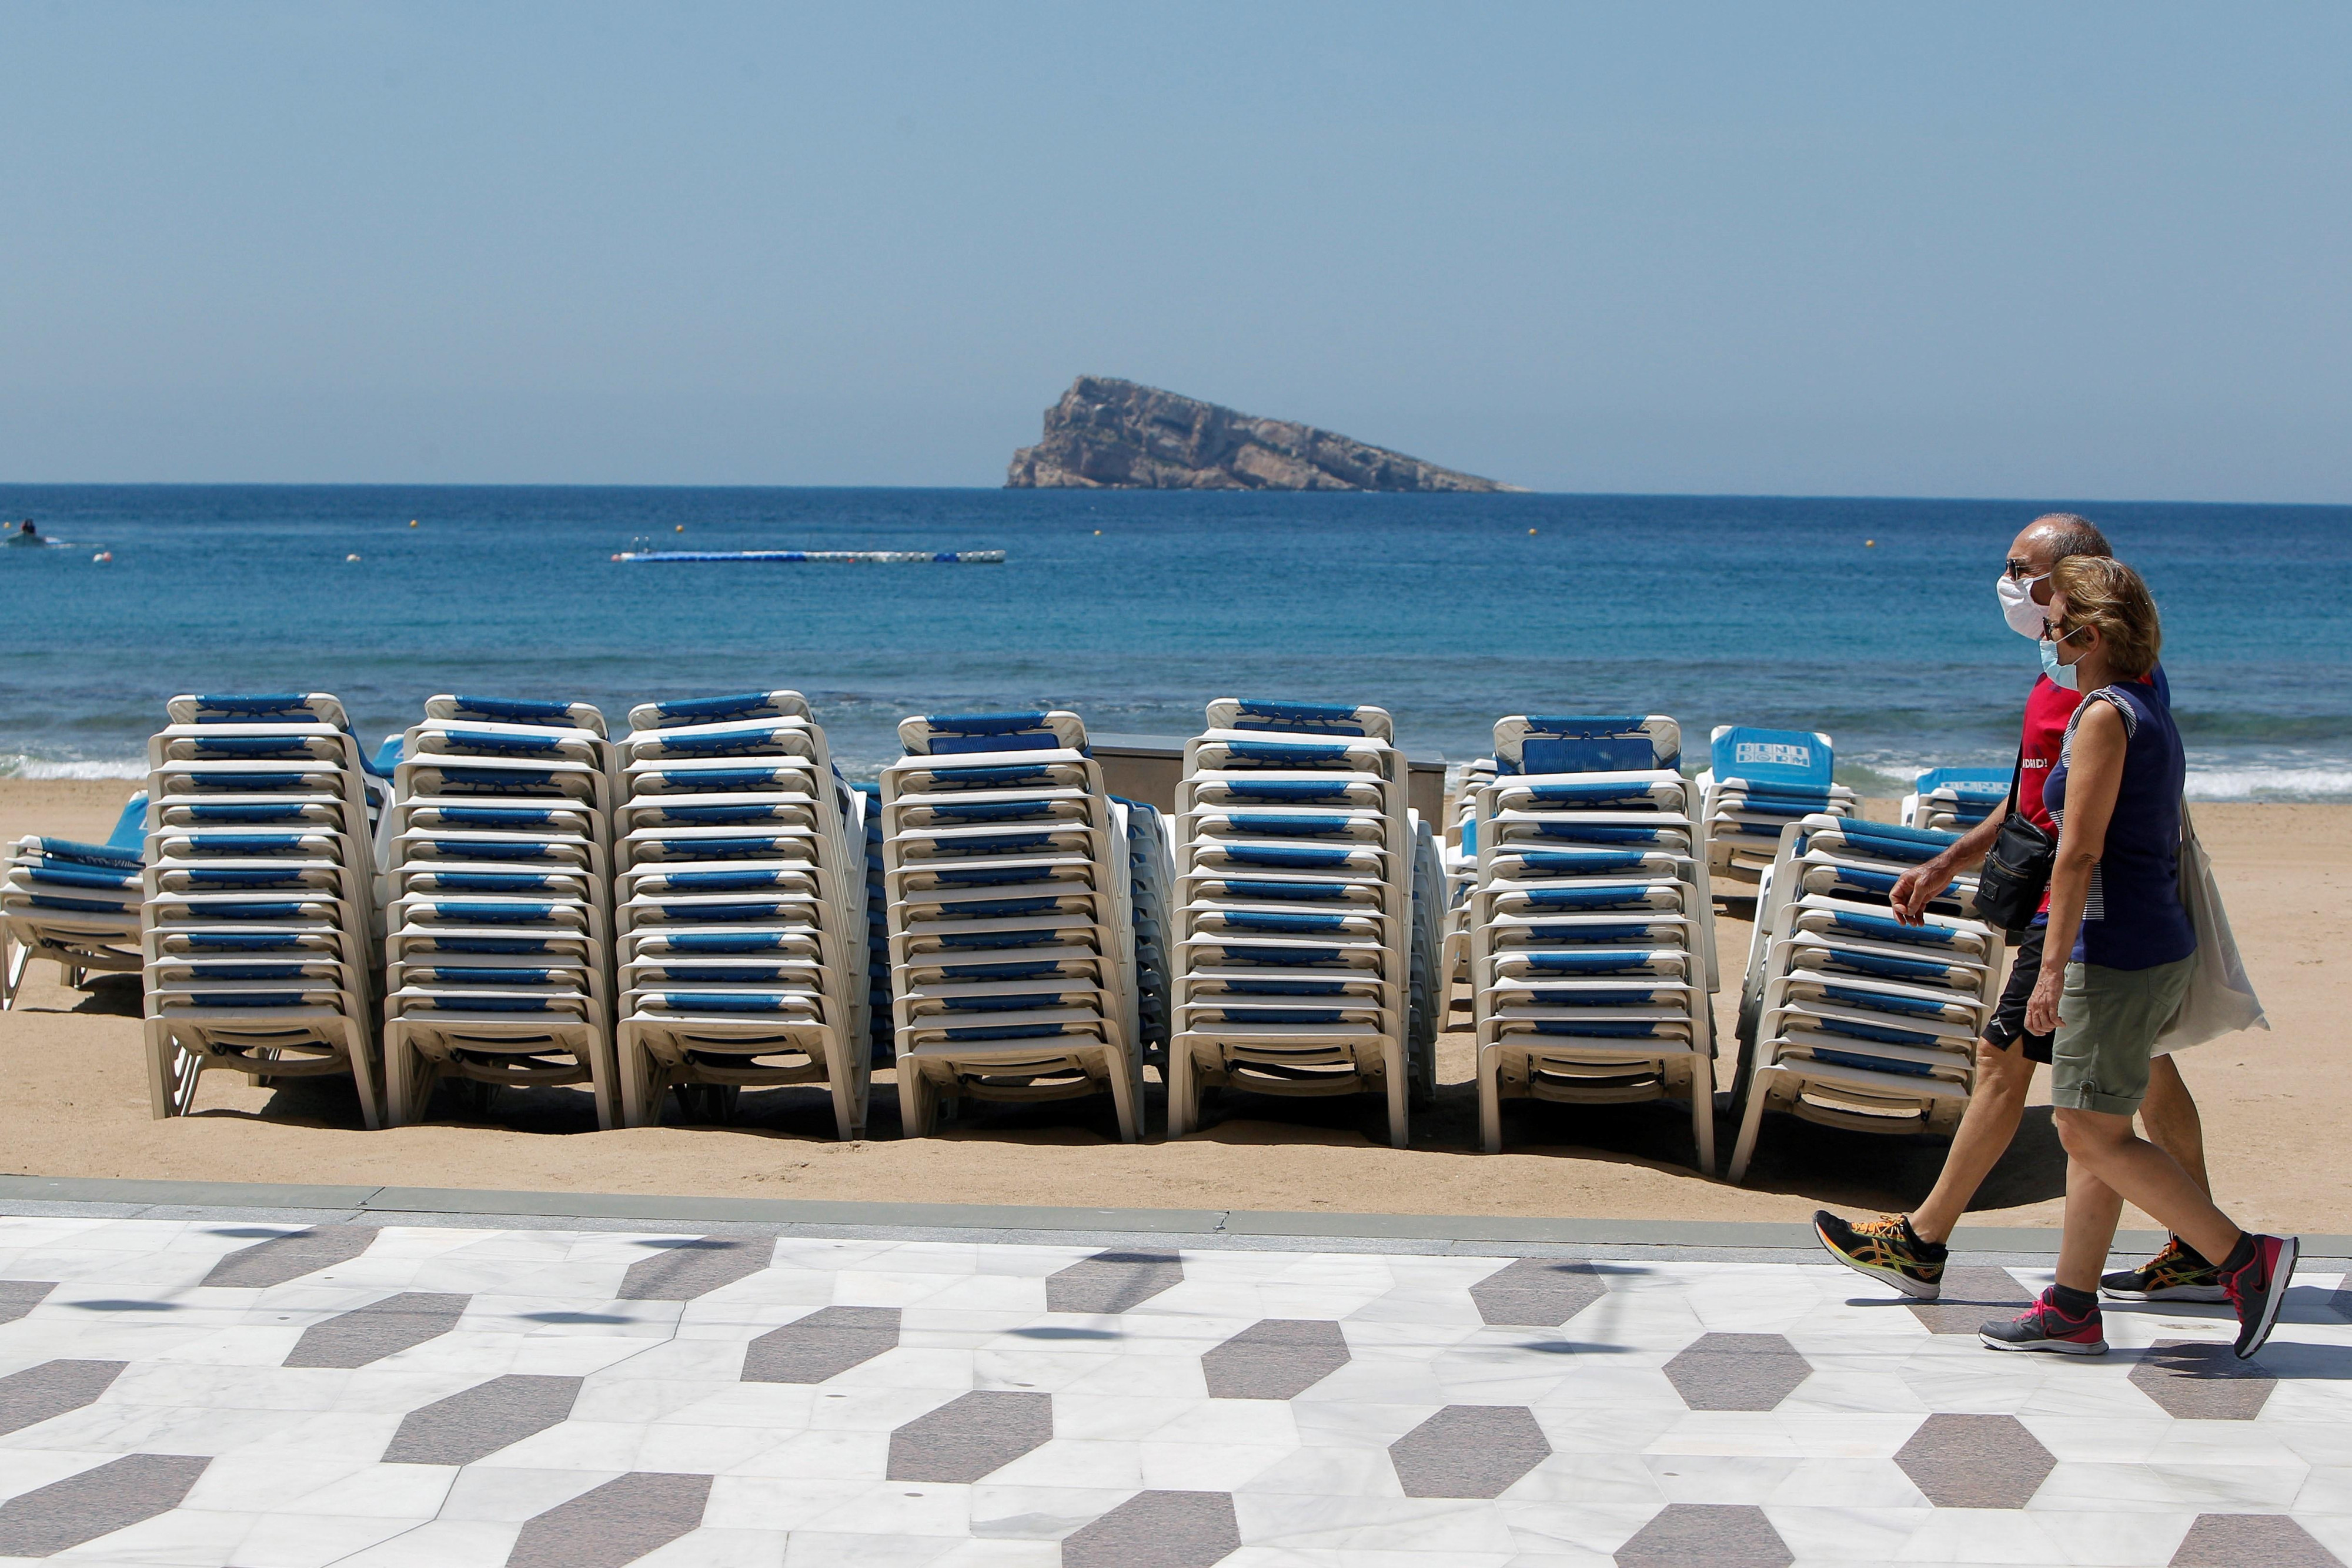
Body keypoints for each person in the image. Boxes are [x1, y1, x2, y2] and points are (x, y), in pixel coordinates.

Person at [1813, 514, 2220, 1303]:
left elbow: (2082, 835)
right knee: (2137, 1080)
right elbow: (2031, 796)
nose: (2007, 584)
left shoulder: (2104, 689)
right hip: (2096, 917)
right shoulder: (2062, 679)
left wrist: (2054, 958)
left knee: (2015, 1070)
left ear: (2075, 585)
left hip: (2086, 914)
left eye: (2022, 570)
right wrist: (1947, 860)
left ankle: (1926, 1241)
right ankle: (2179, 1259)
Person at [1977, 556, 2295, 1356]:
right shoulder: (2143, 705)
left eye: (2053, 626)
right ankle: (2073, 1306)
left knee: (2086, 1130)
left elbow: (2077, 857)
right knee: (2101, 1126)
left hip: (2111, 951)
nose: (2044, 637)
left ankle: (2243, 1258)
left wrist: (2049, 973)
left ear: (2089, 633)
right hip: (2151, 945)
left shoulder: (2100, 720)